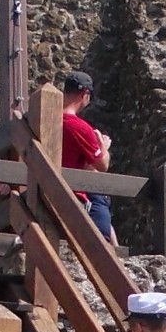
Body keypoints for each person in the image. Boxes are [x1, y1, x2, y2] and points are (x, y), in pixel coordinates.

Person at [58, 71, 116, 242]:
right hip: (74, 198)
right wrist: (103, 146)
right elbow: (102, 165)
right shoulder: (80, 127)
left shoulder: (46, 120)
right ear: (85, 94)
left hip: (45, 193)